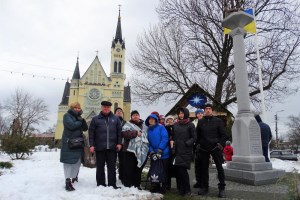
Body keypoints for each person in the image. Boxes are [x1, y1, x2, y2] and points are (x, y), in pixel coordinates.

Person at [89, 101, 122, 189]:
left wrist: (119, 143)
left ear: (110, 108)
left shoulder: (116, 119)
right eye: (104, 107)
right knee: (100, 167)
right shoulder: (95, 119)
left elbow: (119, 132)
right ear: (101, 107)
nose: (106, 108)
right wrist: (91, 145)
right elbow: (91, 133)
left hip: (112, 147)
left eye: (108, 107)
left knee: (111, 167)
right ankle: (101, 184)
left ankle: (112, 184)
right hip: (100, 147)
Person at [196, 103, 226, 198]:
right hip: (204, 148)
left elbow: (223, 135)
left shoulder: (218, 121)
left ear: (212, 110)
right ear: (204, 111)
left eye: (209, 108)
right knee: (204, 169)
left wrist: (220, 145)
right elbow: (197, 135)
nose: (208, 110)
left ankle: (222, 188)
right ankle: (205, 187)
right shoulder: (200, 122)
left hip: (215, 147)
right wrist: (198, 144)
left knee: (219, 168)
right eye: (206, 109)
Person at [60, 102, 88, 191]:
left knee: (77, 161)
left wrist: (82, 121)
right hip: (69, 142)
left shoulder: (79, 117)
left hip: (78, 143)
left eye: (78, 108)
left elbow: (85, 128)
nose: (77, 109)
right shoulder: (67, 115)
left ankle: (74, 177)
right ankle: (67, 181)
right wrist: (80, 121)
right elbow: (71, 126)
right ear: (71, 108)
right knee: (68, 162)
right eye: (75, 107)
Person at [121, 110, 149, 189]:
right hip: (129, 150)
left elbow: (147, 136)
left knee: (138, 168)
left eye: (137, 115)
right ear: (131, 117)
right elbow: (124, 134)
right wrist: (135, 133)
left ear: (139, 116)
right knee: (129, 168)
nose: (136, 116)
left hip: (141, 150)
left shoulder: (144, 126)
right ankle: (128, 185)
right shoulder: (127, 125)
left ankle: (137, 185)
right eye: (134, 115)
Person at [171, 107, 196, 197]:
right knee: (178, 171)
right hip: (176, 151)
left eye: (182, 113)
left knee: (183, 171)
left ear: (186, 113)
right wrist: (172, 141)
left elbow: (194, 137)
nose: (181, 115)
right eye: (179, 113)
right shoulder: (175, 125)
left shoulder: (190, 125)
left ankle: (187, 190)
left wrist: (187, 143)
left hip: (185, 151)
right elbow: (173, 136)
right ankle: (180, 189)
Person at [145, 114, 170, 193]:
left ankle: (164, 186)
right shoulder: (148, 130)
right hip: (154, 154)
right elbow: (147, 142)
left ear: (156, 120)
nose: (151, 120)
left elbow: (165, 138)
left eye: (153, 119)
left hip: (164, 153)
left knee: (164, 170)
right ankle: (155, 186)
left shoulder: (161, 127)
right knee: (155, 170)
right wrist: (152, 152)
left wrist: (160, 150)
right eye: (150, 119)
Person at [114, 107, 126, 184]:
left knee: (123, 162)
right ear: (115, 113)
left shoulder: (125, 122)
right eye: (117, 111)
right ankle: (112, 178)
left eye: (121, 111)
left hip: (123, 144)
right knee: (112, 162)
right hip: (113, 144)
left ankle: (122, 177)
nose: (119, 112)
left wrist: (121, 143)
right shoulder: (112, 121)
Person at [192, 109, 204, 188]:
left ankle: (203, 182)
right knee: (197, 165)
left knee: (203, 166)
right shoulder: (193, 123)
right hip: (196, 146)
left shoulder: (205, 121)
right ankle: (198, 181)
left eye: (201, 113)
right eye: (198, 113)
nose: (199, 114)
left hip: (204, 146)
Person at [165, 115, 175, 190]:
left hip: (175, 150)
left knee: (174, 167)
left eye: (171, 119)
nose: (170, 121)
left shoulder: (176, 127)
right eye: (168, 120)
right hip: (167, 149)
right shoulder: (165, 128)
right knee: (167, 167)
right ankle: (167, 185)